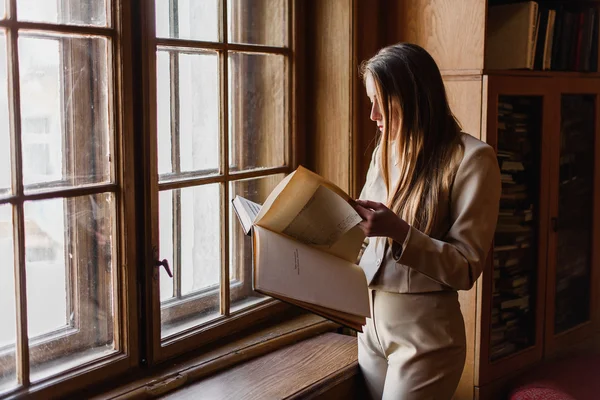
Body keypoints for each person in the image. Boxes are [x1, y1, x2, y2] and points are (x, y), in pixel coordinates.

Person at [353, 43, 501, 399]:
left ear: (412, 97)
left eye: (380, 101)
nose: (373, 115)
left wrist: (401, 233)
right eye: (370, 100)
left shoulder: (473, 160)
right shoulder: (383, 151)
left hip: (425, 339)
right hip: (367, 328)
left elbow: (466, 267)